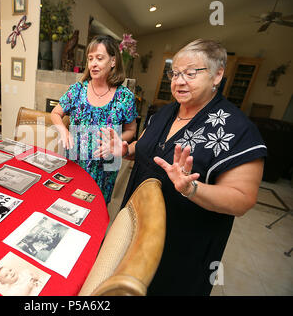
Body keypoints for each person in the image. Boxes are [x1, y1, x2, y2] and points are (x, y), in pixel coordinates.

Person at [95, 39, 266, 295]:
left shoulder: (238, 130)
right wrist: (126, 150)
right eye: (174, 73)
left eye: (191, 73)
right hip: (135, 227)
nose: (179, 80)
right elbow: (146, 150)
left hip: (183, 243)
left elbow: (243, 199)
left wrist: (192, 188)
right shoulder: (163, 113)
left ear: (218, 75)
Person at [51, 35, 138, 204]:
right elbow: (55, 113)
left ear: (113, 61)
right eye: (90, 59)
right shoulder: (77, 89)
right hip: (76, 161)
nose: (93, 64)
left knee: (96, 209)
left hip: (106, 166)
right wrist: (63, 130)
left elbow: (131, 130)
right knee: (68, 205)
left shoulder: (125, 97)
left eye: (99, 58)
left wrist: (116, 142)